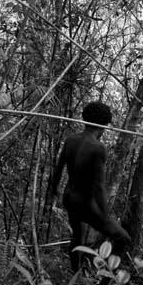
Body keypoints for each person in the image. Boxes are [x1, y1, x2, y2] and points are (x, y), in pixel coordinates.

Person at [51, 101, 131, 271]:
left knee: (77, 235)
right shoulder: (98, 147)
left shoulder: (71, 140)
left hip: (69, 198)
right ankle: (104, 282)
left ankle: (75, 274)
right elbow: (99, 186)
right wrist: (105, 215)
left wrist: (53, 191)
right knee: (123, 238)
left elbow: (58, 170)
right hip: (85, 203)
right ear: (103, 126)